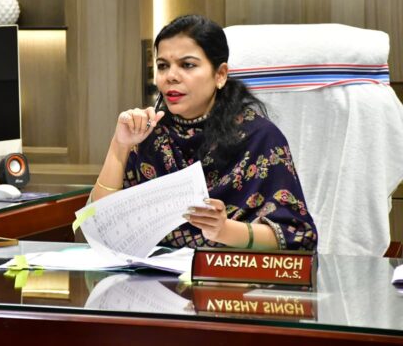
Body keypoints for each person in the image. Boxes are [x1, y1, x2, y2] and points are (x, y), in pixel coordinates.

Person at [91, 14, 317, 251]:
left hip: (228, 271)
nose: (171, 76)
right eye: (163, 66)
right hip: (149, 271)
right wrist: (120, 145)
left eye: (187, 65)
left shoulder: (259, 138)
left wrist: (225, 230)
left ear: (220, 75)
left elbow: (299, 237)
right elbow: (100, 229)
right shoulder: (149, 134)